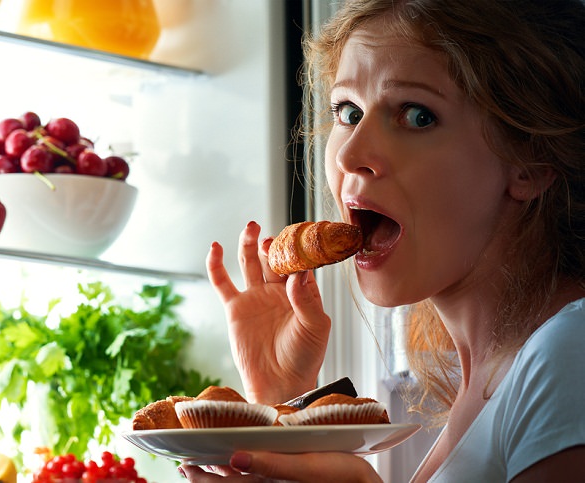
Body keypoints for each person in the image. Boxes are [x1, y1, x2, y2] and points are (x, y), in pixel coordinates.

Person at [180, 0, 585, 481]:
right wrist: (284, 409)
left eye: (417, 116)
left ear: (530, 164)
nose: (350, 153)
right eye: (348, 111)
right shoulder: (498, 377)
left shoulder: (569, 354)